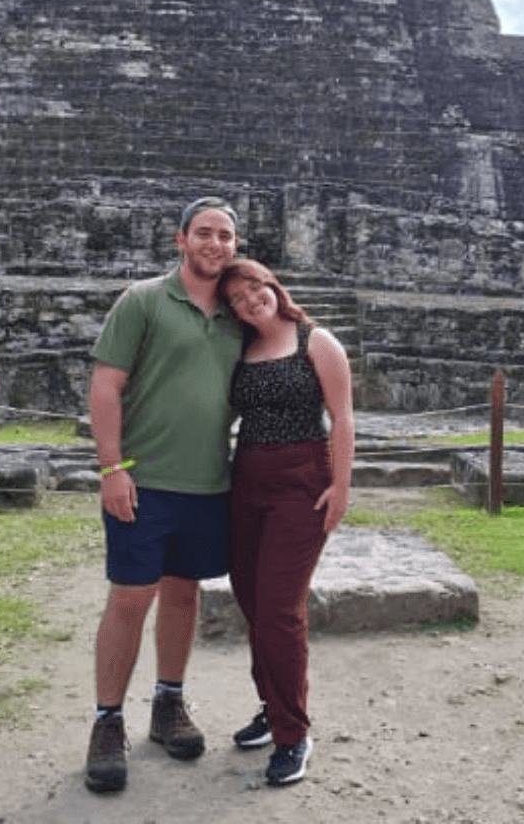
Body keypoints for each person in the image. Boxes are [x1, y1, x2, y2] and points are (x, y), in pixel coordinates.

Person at [84, 196, 243, 794]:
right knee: (130, 598)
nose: (215, 244)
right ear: (181, 239)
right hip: (143, 480)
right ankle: (107, 720)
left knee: (183, 593)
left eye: (225, 235)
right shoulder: (143, 301)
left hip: (208, 483)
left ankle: (168, 702)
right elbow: (106, 385)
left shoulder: (238, 312)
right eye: (204, 232)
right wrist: (111, 468)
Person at [217, 257, 355, 787]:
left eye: (254, 288)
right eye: (236, 299)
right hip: (248, 478)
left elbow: (342, 417)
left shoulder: (315, 341)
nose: (250, 300)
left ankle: (293, 733)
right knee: (251, 598)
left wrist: (340, 486)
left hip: (302, 480)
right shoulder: (243, 349)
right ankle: (271, 705)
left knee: (279, 608)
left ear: (271, 284)